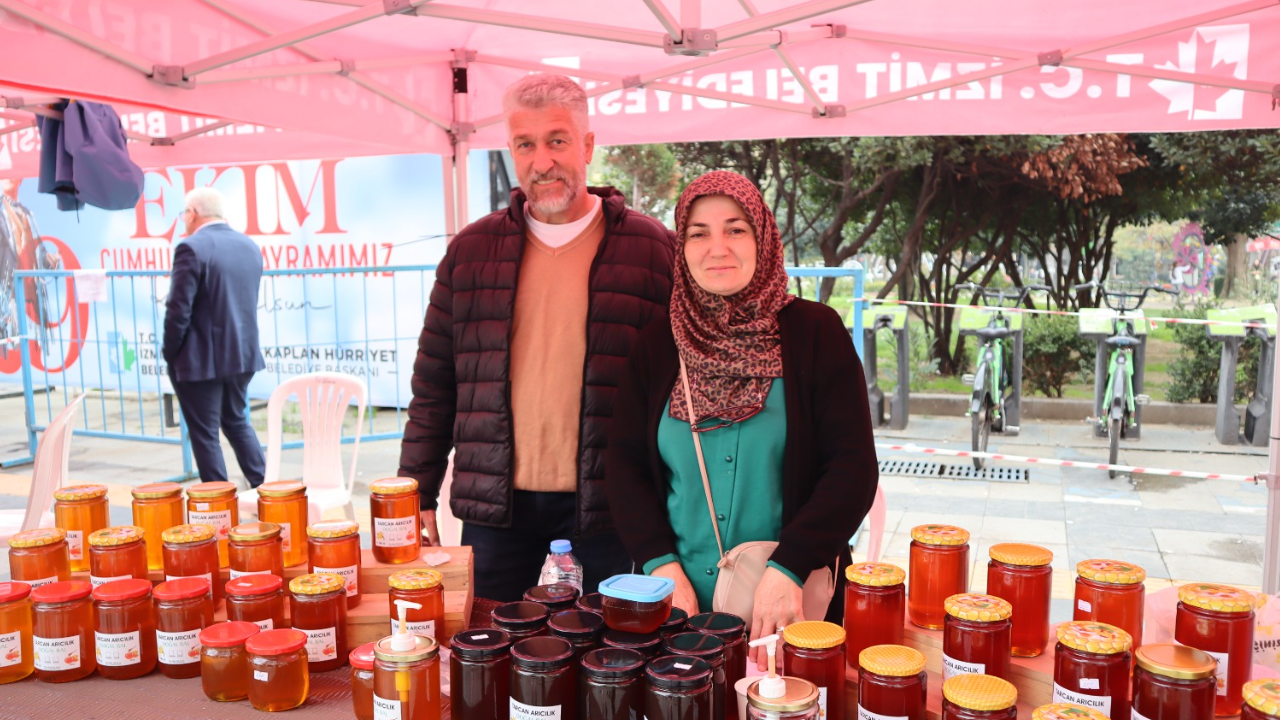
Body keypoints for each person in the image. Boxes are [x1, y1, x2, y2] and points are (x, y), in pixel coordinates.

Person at [398, 74, 676, 602]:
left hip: (611, 504)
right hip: (496, 507)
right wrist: (417, 494)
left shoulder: (651, 249)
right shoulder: (471, 252)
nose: (541, 161)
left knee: (607, 660)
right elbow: (435, 385)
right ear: (511, 150)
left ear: (588, 145)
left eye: (557, 140)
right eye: (526, 144)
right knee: (493, 651)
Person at [605, 170, 878, 665]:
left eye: (735, 229)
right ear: (681, 247)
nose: (718, 248)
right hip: (678, 609)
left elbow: (852, 469)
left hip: (788, 608)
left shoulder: (816, 334)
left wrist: (789, 569)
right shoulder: (657, 345)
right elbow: (625, 468)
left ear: (763, 237)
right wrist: (661, 566)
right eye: (698, 232)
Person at [163, 187, 267, 488]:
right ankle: (268, 493)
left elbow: (178, 309)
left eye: (185, 214)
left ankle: (219, 507)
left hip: (199, 361)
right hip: (242, 355)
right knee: (237, 422)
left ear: (192, 214)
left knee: (205, 434)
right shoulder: (249, 246)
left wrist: (170, 353)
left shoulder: (191, 248)